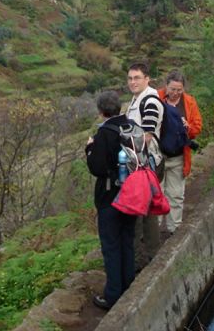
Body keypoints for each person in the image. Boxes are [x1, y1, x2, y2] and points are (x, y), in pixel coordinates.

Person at [85, 90, 137, 310]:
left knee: (111, 246)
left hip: (110, 197)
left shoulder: (104, 133)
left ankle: (113, 295)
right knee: (127, 240)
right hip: (133, 193)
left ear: (100, 111)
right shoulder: (131, 126)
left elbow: (97, 168)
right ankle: (129, 285)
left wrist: (89, 148)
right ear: (119, 107)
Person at [125, 61, 164, 266]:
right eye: (130, 78)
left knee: (139, 213)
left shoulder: (149, 101)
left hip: (146, 165)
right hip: (141, 165)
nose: (133, 82)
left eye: (137, 77)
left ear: (147, 79)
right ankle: (151, 254)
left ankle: (140, 260)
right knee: (147, 211)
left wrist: (122, 143)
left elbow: (146, 136)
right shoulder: (137, 99)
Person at [157, 69, 203, 234]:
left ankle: (173, 229)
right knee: (157, 194)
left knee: (176, 194)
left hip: (179, 157)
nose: (175, 93)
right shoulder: (156, 98)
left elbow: (197, 127)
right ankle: (154, 230)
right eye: (172, 89)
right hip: (158, 156)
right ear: (166, 86)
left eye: (179, 90)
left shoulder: (189, 102)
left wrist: (187, 127)